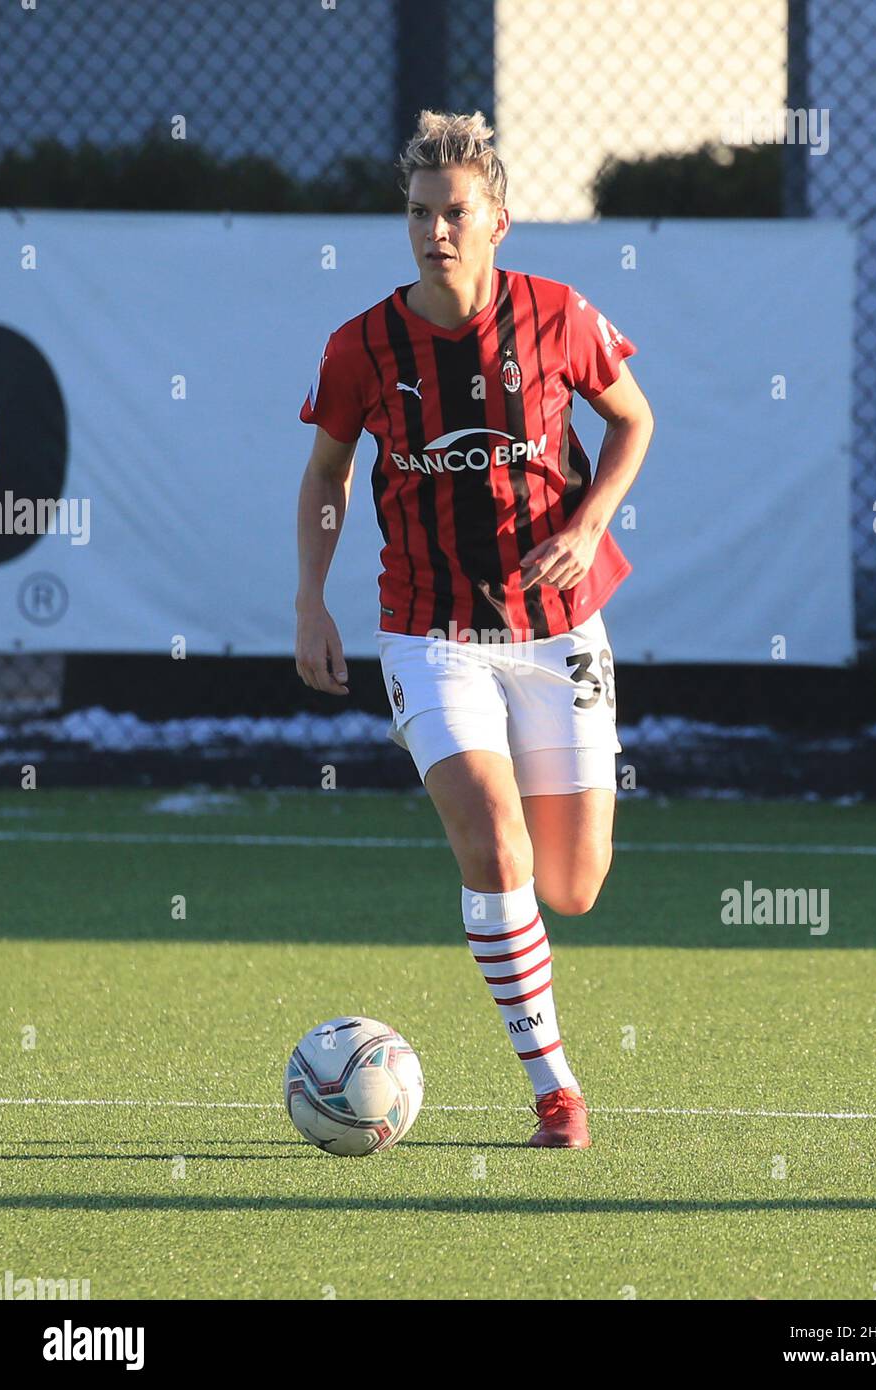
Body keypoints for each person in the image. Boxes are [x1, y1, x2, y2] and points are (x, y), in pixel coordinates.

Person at [296, 110, 654, 1148]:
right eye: (419, 214)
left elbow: (635, 418)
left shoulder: (558, 316)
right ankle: (556, 1092)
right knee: (493, 841)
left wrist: (590, 527)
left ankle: (524, 961)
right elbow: (326, 472)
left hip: (559, 632)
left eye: (456, 213)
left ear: (499, 216)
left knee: (572, 887)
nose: (435, 232)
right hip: (429, 629)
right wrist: (310, 598)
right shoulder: (362, 345)